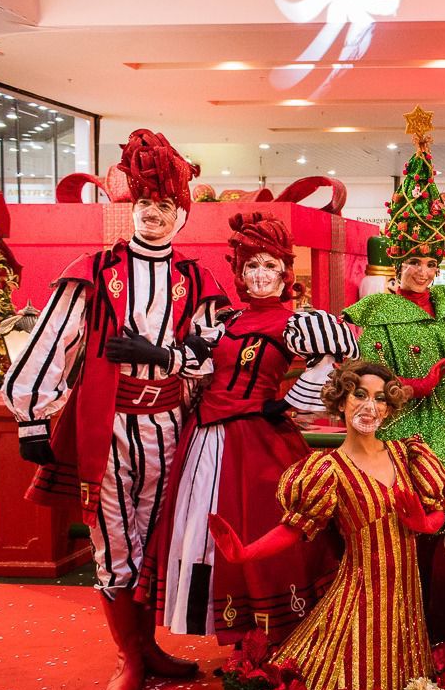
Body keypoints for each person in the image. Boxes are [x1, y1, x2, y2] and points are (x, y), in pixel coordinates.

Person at [3, 129, 228, 690]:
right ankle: (130, 657)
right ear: (131, 207)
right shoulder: (95, 271)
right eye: (147, 205)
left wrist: (172, 357)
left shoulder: (198, 279)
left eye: (167, 208)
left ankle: (148, 646)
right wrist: (32, 416)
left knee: (156, 541)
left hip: (176, 428)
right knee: (115, 541)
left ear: (183, 216)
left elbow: (214, 349)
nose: (155, 216)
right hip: (111, 428)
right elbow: (54, 340)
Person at [136, 212, 358, 645]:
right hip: (203, 443)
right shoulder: (227, 322)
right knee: (203, 532)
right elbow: (200, 370)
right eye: (251, 266)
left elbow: (338, 354)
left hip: (258, 442)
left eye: (269, 266)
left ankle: (274, 635)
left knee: (262, 533)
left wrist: (292, 401)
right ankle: (236, 631)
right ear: (239, 272)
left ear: (285, 273)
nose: (259, 276)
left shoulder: (294, 322)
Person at [209, 360, 445, 690]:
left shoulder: (407, 454)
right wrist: (245, 553)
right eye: (360, 394)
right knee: (344, 682)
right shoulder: (328, 470)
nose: (370, 406)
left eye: (380, 399)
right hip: (360, 594)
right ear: (340, 401)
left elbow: (437, 513)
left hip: (407, 596)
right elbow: (293, 529)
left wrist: (423, 524)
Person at [345, 142, 445, 647]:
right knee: (423, 538)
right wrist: (412, 386)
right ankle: (419, 637)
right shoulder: (377, 314)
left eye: (431, 261)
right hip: (410, 438)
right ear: (399, 261)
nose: (424, 270)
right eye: (415, 261)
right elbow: (366, 386)